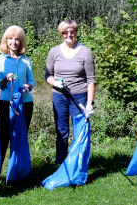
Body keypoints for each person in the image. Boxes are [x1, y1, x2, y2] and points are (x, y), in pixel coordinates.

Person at [45, 20, 96, 167]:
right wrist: (55, 82)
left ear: (76, 32)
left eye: (72, 31)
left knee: (79, 130)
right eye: (65, 32)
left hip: (79, 96)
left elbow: (91, 80)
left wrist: (89, 104)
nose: (69, 35)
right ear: (61, 34)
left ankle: (78, 163)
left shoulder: (85, 52)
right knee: (61, 130)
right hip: (59, 96)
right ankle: (61, 163)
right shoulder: (54, 51)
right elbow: (48, 75)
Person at [0, 25, 36, 169]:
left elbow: (31, 80)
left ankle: (18, 171)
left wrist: (27, 87)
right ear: (6, 41)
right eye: (10, 39)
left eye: (17, 39)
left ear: (21, 42)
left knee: (20, 137)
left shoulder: (26, 60)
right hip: (7, 103)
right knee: (3, 137)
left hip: (25, 103)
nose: (13, 42)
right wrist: (6, 78)